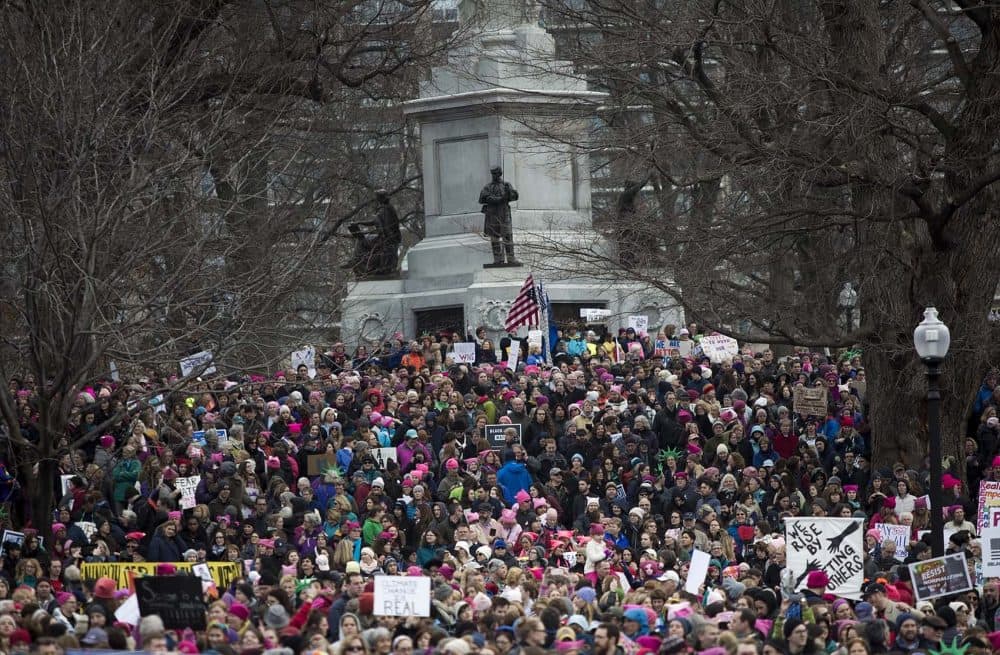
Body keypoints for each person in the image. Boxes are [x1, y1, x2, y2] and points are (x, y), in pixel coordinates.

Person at [478, 166, 519, 266]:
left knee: (508, 236)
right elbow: (483, 198)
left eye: (496, 173)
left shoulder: (506, 185)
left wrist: (509, 192)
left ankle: (511, 258)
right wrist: (498, 199)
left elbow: (514, 196)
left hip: (504, 213)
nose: (494, 176)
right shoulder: (488, 187)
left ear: (500, 174)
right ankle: (497, 259)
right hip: (493, 214)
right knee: (494, 237)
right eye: (493, 174)